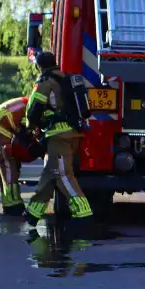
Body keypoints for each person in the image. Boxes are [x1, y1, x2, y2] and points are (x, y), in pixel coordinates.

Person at [23, 51, 94, 226]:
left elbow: (33, 110)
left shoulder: (45, 84)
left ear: (39, 66)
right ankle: (33, 214)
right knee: (50, 174)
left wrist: (29, 129)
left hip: (58, 137)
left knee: (62, 175)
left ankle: (84, 214)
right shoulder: (68, 79)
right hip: (73, 134)